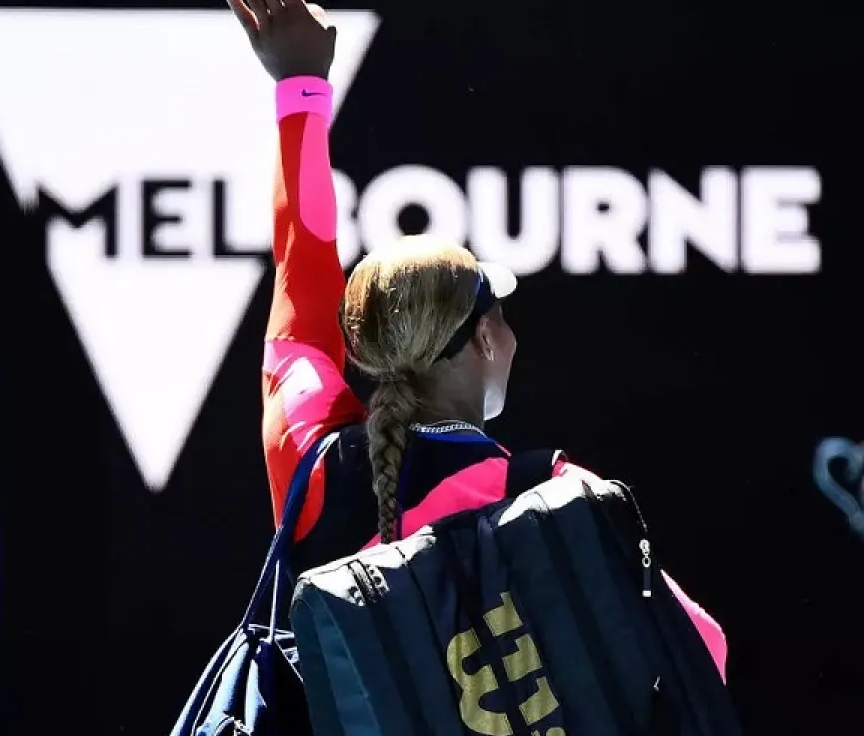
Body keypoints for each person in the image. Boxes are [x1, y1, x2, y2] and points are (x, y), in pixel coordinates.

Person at [233, 0, 730, 672]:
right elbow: (705, 649)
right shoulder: (551, 495)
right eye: (503, 318)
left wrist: (300, 87)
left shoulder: (309, 452)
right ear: (487, 339)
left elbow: (303, 267)